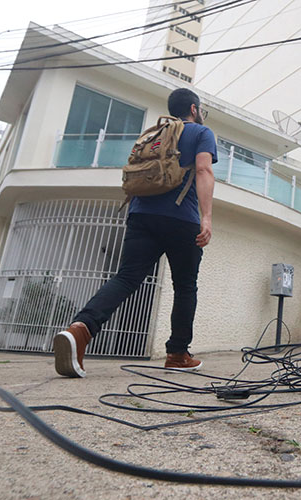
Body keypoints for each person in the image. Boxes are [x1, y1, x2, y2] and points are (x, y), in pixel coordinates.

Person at [53, 88, 217, 378]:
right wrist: (206, 217)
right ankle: (178, 354)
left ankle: (81, 329)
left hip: (141, 214)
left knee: (127, 278)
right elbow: (203, 170)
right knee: (185, 286)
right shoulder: (201, 133)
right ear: (194, 109)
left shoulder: (154, 133)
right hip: (182, 218)